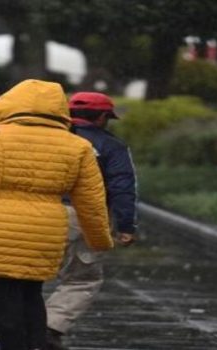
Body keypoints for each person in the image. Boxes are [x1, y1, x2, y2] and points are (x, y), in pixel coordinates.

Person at [0, 79, 114, 350]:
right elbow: (91, 200)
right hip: (44, 230)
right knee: (31, 295)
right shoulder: (76, 146)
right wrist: (100, 240)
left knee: (2, 301)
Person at [42, 92, 137, 350]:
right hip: (84, 216)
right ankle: (50, 327)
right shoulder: (112, 146)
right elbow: (122, 188)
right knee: (82, 278)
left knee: (22, 279)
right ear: (103, 117)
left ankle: (5, 336)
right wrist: (126, 226)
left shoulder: (49, 138)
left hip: (38, 212)